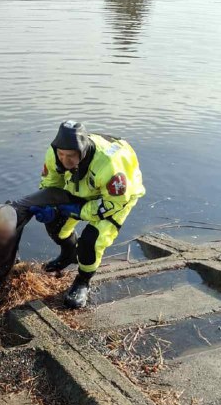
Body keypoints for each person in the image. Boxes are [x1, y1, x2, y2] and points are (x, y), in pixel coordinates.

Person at [14, 120, 145, 309]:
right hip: (83, 189)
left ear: (83, 151)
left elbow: (112, 203)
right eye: (61, 155)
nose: (65, 161)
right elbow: (51, 184)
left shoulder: (110, 165)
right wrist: (50, 207)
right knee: (56, 226)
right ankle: (68, 255)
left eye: (71, 156)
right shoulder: (55, 154)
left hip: (116, 199)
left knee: (90, 241)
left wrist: (76, 211)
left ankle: (83, 281)